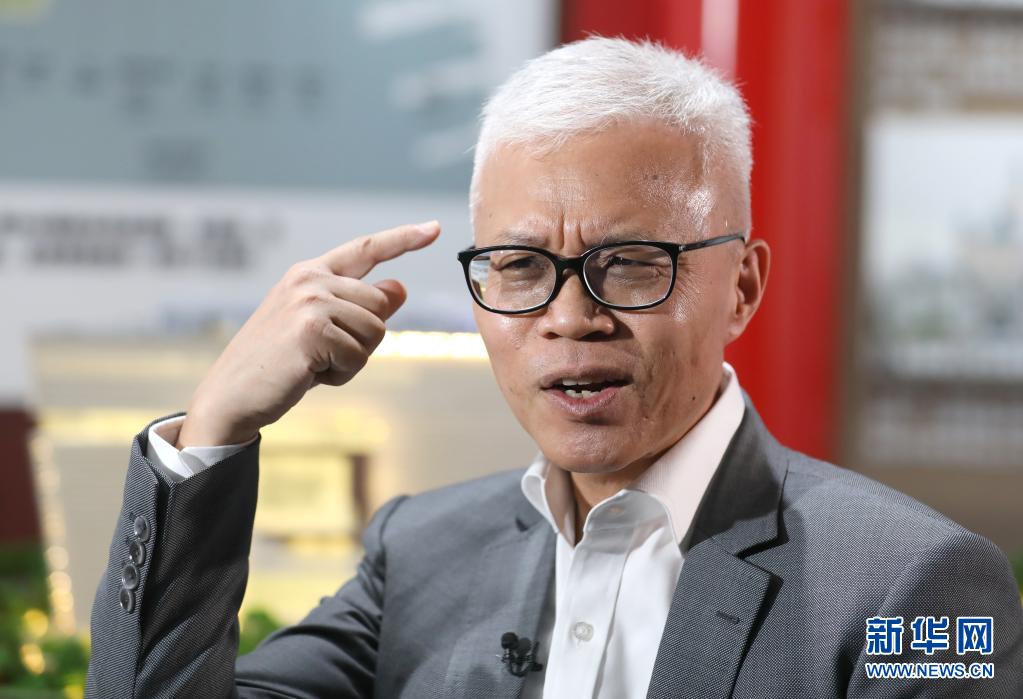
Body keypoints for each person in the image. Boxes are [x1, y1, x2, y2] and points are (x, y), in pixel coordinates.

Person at [86, 37, 1022, 698]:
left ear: (740, 287)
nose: (571, 318)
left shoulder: (917, 584)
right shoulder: (420, 552)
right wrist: (213, 430)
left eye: (632, 264)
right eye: (520, 267)